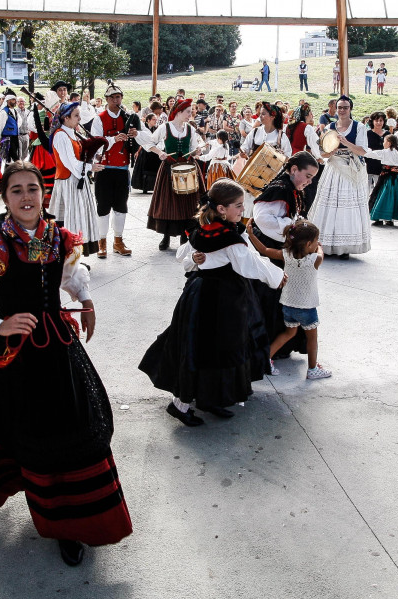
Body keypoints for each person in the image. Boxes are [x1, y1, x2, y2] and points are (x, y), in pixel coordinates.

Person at [0, 161, 132, 567]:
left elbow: (71, 275)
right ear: (5, 197)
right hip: (17, 358)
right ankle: (58, 522)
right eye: (17, 190)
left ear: (44, 193)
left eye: (33, 188)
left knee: (78, 426)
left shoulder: (58, 238)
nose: (27, 197)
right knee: (33, 432)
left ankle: (80, 520)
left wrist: (87, 301)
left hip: (61, 348)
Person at [139, 179, 285, 427]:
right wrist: (278, 277)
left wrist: (196, 260)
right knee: (209, 349)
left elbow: (184, 257)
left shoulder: (203, 230)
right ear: (221, 209)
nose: (242, 210)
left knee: (209, 348)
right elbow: (249, 263)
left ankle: (210, 398)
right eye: (238, 205)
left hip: (199, 294)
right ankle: (181, 405)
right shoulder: (228, 237)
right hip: (222, 299)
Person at [246, 218, 330, 379]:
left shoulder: (286, 255)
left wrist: (251, 234)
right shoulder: (314, 260)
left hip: (288, 306)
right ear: (307, 245)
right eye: (315, 241)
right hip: (307, 308)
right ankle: (313, 370)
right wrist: (320, 248)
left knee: (288, 333)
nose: (317, 244)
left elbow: (264, 250)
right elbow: (321, 254)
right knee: (312, 339)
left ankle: (266, 359)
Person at [308, 96, 372, 258]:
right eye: (340, 107)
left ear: (350, 109)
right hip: (334, 167)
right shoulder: (330, 127)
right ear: (335, 109)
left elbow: (363, 151)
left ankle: (344, 246)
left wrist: (346, 142)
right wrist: (331, 152)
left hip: (350, 170)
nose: (342, 110)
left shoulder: (359, 127)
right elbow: (322, 152)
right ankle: (326, 244)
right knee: (329, 207)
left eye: (345, 107)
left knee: (347, 207)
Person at [139, 98, 205, 250]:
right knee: (168, 203)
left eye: (191, 112)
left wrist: (197, 151)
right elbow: (148, 142)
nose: (191, 114)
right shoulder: (165, 127)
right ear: (179, 112)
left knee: (188, 203)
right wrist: (160, 152)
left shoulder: (190, 129)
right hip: (169, 168)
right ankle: (166, 236)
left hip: (188, 168)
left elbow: (195, 148)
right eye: (188, 112)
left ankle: (184, 235)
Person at [49, 102, 104, 257]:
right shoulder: (60, 135)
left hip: (77, 181)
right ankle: (69, 256)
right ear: (66, 118)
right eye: (76, 116)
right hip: (68, 183)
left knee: (78, 219)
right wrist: (90, 167)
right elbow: (70, 163)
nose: (80, 118)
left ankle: (75, 256)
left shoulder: (71, 133)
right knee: (70, 219)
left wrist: (93, 157)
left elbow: (79, 157)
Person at [90, 80, 138, 259]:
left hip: (122, 167)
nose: (117, 101)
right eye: (113, 98)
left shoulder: (128, 117)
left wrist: (135, 135)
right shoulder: (99, 118)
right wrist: (113, 139)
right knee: (103, 206)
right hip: (104, 168)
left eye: (119, 97)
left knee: (121, 206)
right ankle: (101, 242)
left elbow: (138, 139)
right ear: (107, 99)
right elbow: (95, 142)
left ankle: (118, 241)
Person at [239, 102, 292, 217]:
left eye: (263, 114)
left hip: (271, 177)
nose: (260, 116)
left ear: (272, 116)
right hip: (253, 176)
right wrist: (243, 152)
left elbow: (288, 156)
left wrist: (282, 156)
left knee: (266, 205)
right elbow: (245, 147)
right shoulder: (255, 132)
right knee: (248, 204)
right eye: (260, 114)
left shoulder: (281, 136)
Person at [0, 89, 22, 165]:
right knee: (9, 155)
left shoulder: (15, 111)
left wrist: (15, 128)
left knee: (14, 154)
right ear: (8, 100)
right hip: (7, 137)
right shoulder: (4, 112)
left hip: (15, 136)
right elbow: (0, 125)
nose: (15, 101)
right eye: (13, 100)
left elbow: (19, 121)